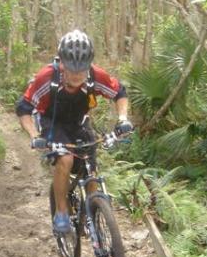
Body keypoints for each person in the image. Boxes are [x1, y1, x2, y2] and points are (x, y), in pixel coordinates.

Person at [15, 29, 133, 233]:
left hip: (79, 122)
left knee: (90, 165)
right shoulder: (46, 78)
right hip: (52, 124)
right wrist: (35, 136)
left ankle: (92, 212)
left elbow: (119, 93)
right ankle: (61, 212)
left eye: (82, 70)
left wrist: (123, 119)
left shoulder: (96, 75)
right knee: (66, 160)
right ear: (62, 64)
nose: (78, 75)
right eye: (72, 70)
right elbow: (24, 109)